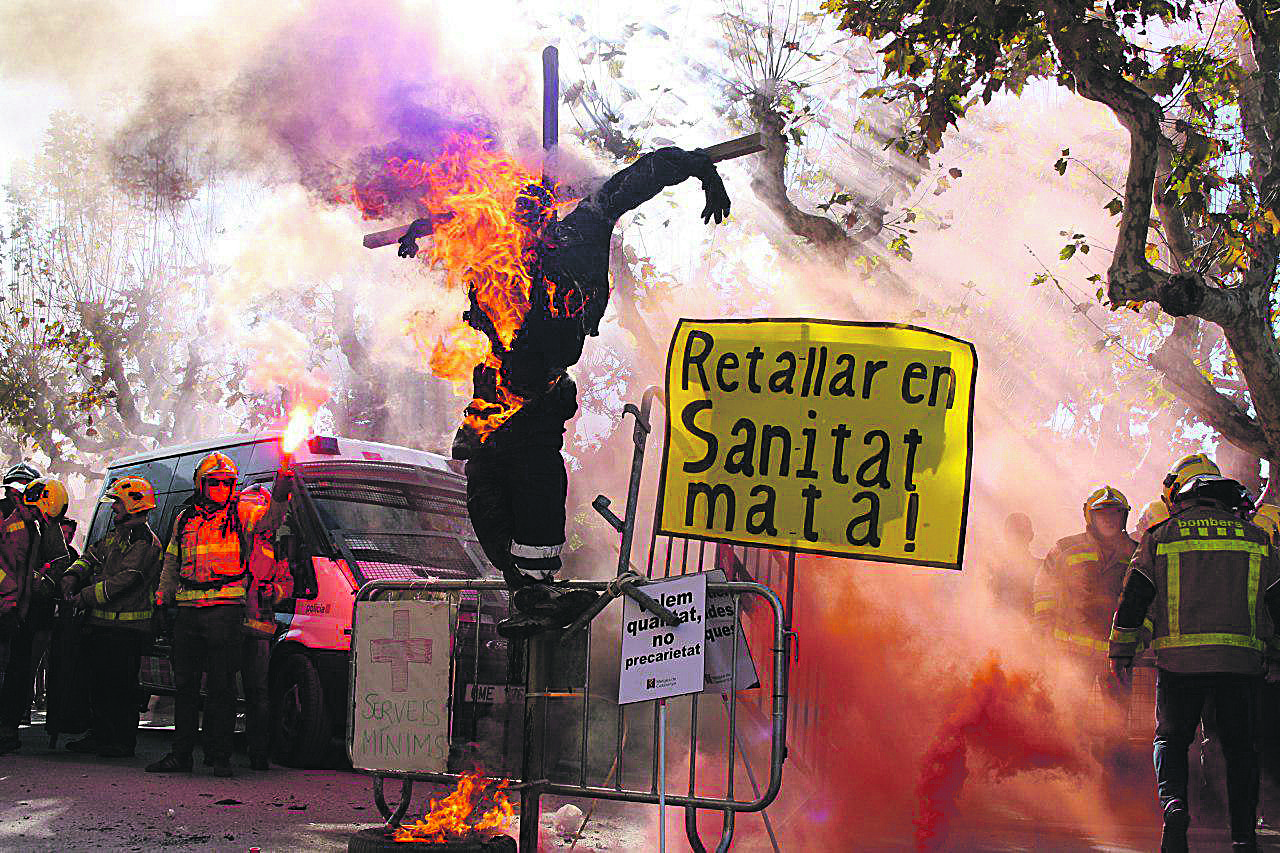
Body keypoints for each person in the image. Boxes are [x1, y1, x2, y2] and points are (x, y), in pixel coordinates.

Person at [397, 146, 732, 637]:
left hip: (538, 393)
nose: (518, 221)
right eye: (514, 211)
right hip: (494, 393)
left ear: (546, 211)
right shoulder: (495, 244)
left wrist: (702, 167)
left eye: (530, 209)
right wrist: (423, 229)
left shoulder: (579, 233)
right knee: (486, 489)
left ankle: (536, 590)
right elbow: (461, 216)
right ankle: (528, 591)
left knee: (534, 483)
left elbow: (638, 177)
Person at [1110, 468, 1280, 853]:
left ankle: (1174, 806)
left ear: (1184, 501)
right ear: (1230, 504)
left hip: (1178, 665)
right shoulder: (1258, 539)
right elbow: (1278, 604)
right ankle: (1242, 835)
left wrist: (1120, 651)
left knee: (1170, 739)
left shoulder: (1161, 535)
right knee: (1239, 749)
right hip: (1240, 665)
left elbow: (1135, 597)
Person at [146, 453, 291, 777]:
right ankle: (180, 755)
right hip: (187, 612)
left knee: (222, 688)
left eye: (227, 483)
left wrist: (281, 494)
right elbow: (171, 562)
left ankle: (221, 757)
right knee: (184, 687)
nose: (221, 487)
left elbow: (270, 520)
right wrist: (160, 601)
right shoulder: (184, 519)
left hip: (225, 612)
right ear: (201, 484)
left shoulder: (242, 512)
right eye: (214, 482)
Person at [59, 476, 161, 758]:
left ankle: (121, 741)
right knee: (99, 683)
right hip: (103, 625)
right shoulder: (118, 534)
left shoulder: (144, 542)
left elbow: (123, 581)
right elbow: (91, 556)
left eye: (117, 502)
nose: (114, 507)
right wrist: (72, 574)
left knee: (121, 687)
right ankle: (100, 734)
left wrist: (84, 597)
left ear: (132, 503)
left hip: (127, 629)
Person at [0, 464, 69, 755]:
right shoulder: (12, 524)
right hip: (6, 608)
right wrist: (8, 598)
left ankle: (6, 731)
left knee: (14, 672)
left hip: (16, 611)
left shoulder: (33, 528)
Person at [239, 484, 294, 771]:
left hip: (259, 627)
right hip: (229, 622)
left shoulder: (273, 547)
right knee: (221, 688)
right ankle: (217, 751)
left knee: (257, 692)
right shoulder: (232, 537)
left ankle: (258, 753)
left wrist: (274, 591)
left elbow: (287, 583)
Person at [989, 511, 1040, 614]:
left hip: (1000, 627)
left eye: (1020, 532)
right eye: (1014, 532)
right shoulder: (1042, 569)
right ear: (1031, 536)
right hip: (1001, 627)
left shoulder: (993, 569)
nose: (1017, 537)